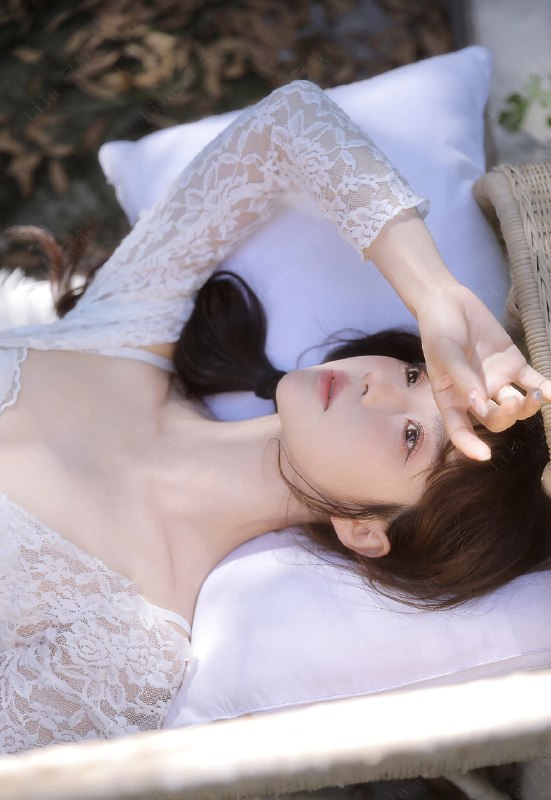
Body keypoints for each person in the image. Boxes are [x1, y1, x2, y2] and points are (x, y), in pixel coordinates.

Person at [0, 80, 550, 754]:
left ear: (364, 531)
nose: (378, 384)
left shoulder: (130, 648)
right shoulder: (126, 334)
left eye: (412, 437)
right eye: (414, 373)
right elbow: (290, 121)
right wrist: (437, 295)